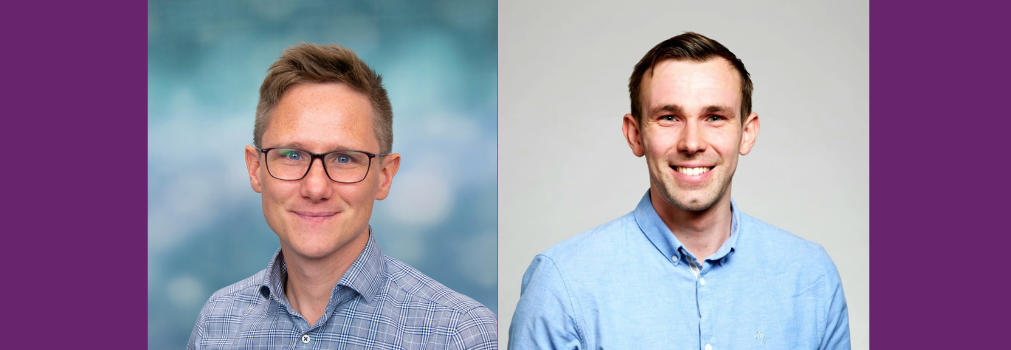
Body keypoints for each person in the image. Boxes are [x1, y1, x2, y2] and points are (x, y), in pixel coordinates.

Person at [508, 32, 850, 349]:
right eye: (669, 117)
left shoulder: (811, 277)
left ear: (747, 133)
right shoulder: (562, 283)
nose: (691, 143)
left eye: (714, 117)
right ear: (635, 134)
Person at [187, 43, 496, 350]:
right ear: (256, 169)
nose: (316, 188)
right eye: (292, 155)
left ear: (384, 176)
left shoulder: (460, 335)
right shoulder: (218, 321)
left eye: (344, 158)